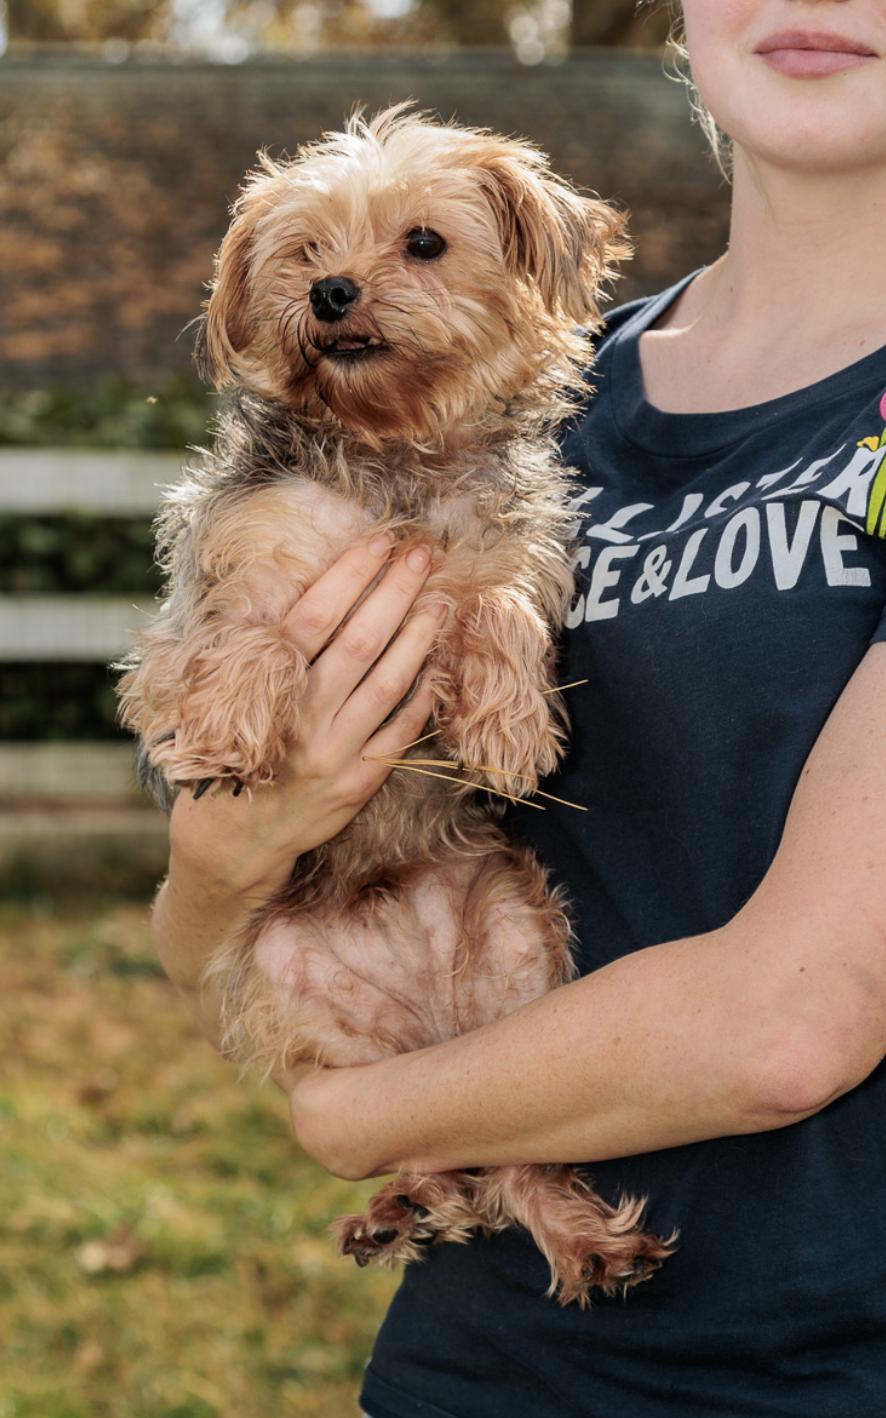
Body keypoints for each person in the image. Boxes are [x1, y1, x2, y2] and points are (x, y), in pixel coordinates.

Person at [153, 2, 886, 1413]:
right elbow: (202, 924)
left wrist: (349, 1114)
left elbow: (793, 1021)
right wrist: (218, 862)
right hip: (480, 1363)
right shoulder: (499, 399)